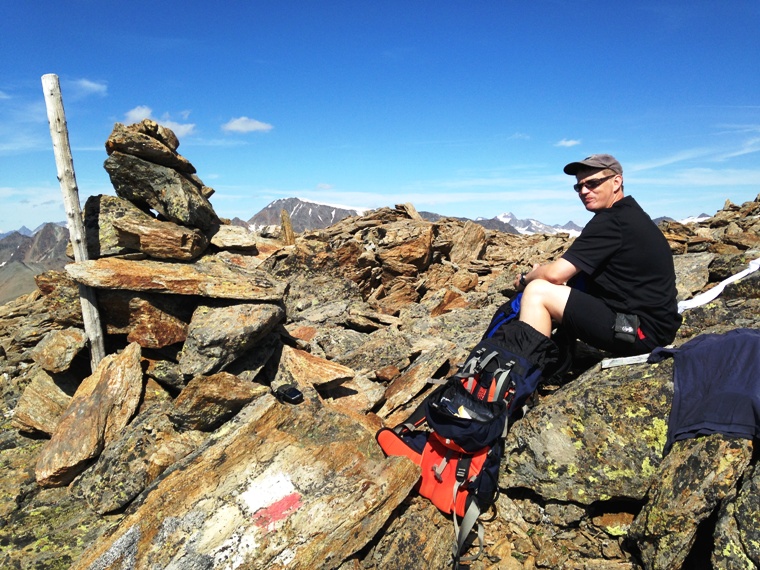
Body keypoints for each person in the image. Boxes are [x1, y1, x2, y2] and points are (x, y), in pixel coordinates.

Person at [514, 154, 681, 356]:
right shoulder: (628, 214)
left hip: (641, 332)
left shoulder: (612, 221)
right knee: (574, 284)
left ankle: (519, 376)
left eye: (593, 183)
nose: (584, 191)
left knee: (538, 290)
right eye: (579, 186)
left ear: (617, 181)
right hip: (653, 328)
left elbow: (555, 274)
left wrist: (526, 279)